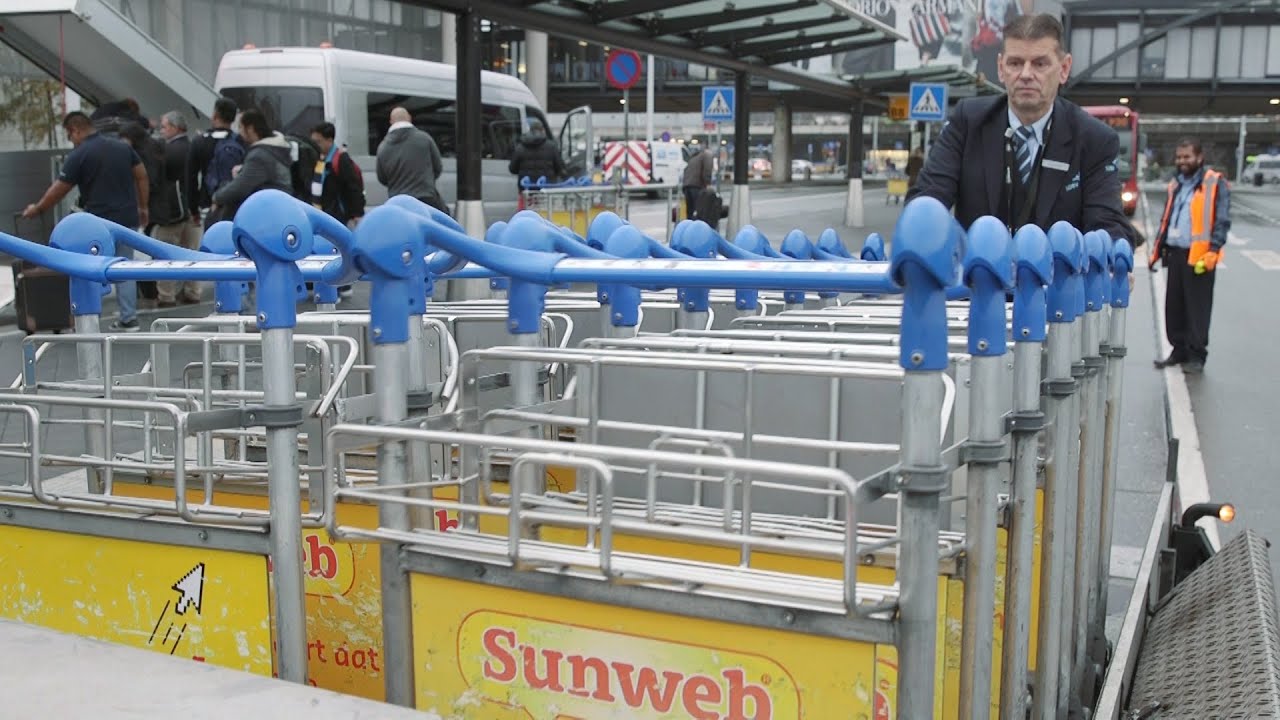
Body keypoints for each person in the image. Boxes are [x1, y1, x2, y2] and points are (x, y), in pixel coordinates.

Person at [907, 13, 1132, 248]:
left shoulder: (1095, 139)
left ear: (1064, 69)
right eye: (1015, 63)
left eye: (1040, 63)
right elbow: (927, 199)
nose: (1026, 74)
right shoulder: (967, 122)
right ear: (1001, 68)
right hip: (977, 276)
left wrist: (1113, 257)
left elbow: (1108, 224)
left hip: (1055, 279)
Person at [23, 111, 148, 331]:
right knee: (126, 268)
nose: (71, 141)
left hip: (97, 226)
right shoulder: (122, 147)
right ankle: (129, 319)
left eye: (70, 136)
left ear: (76, 130)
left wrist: (39, 208)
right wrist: (143, 206)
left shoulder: (80, 154)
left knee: (91, 270)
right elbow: (141, 175)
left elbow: (59, 189)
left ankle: (90, 321)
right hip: (127, 218)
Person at [1149, 137, 1231, 375]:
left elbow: (1222, 220)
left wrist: (1214, 249)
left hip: (1200, 256)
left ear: (1199, 158)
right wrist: (1157, 251)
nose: (1182, 161)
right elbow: (1166, 218)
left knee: (1197, 308)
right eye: (1179, 157)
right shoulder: (1176, 184)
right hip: (1175, 253)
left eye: (1187, 157)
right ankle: (1178, 350)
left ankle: (1197, 355)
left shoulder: (1214, 183)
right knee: (1174, 306)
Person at [152, 110, 202, 307]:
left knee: (165, 251)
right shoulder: (193, 146)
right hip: (194, 210)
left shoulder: (168, 151)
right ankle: (193, 291)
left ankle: (166, 295)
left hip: (172, 211)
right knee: (193, 252)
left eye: (164, 127)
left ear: (175, 127)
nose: (161, 131)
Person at [209, 108, 294, 221]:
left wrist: (216, 197)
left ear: (250, 129)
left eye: (240, 127)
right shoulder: (276, 147)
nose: (239, 132)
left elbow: (239, 187)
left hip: (268, 213)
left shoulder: (260, 155)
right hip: (279, 208)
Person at [188, 97, 246, 227]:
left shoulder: (199, 141)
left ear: (215, 115)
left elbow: (190, 178)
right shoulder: (240, 142)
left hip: (207, 203)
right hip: (234, 205)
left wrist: (193, 208)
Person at [376, 106, 446, 213]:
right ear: (409, 118)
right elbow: (438, 168)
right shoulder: (424, 138)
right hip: (426, 199)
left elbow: (382, 178)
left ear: (391, 121)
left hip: (398, 203)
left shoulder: (382, 147)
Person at [308, 122, 365, 228]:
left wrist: (357, 214)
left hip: (339, 218)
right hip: (322, 216)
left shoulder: (341, 159)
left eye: (318, 142)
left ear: (329, 140)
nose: (315, 145)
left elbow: (353, 188)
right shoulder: (318, 159)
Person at [508, 117, 566, 188]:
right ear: (542, 130)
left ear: (530, 130)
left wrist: (523, 170)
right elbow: (560, 168)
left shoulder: (520, 147)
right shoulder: (552, 147)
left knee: (526, 199)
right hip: (546, 188)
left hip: (527, 188)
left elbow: (512, 169)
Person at [681, 145, 714, 220]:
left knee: (690, 211)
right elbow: (707, 169)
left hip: (687, 186)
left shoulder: (694, 157)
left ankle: (689, 228)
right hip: (696, 186)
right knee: (699, 211)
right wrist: (708, 183)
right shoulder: (708, 154)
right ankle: (697, 229)